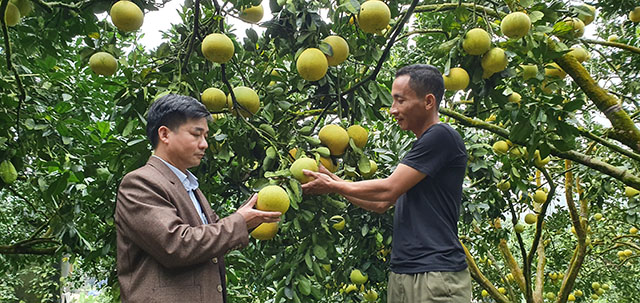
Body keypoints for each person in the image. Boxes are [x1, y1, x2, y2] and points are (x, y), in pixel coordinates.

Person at [302, 64, 471, 302]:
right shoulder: (422, 148)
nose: (393, 110)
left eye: (400, 100)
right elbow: (383, 202)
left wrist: (333, 186)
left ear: (429, 101)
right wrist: (334, 180)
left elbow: (389, 187)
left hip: (436, 274)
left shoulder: (441, 136)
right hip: (404, 271)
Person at [115, 94, 281, 302]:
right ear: (165, 134)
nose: (204, 144)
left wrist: (248, 223)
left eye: (206, 136)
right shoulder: (140, 183)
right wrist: (238, 222)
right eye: (196, 134)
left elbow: (206, 242)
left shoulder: (191, 187)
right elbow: (176, 245)